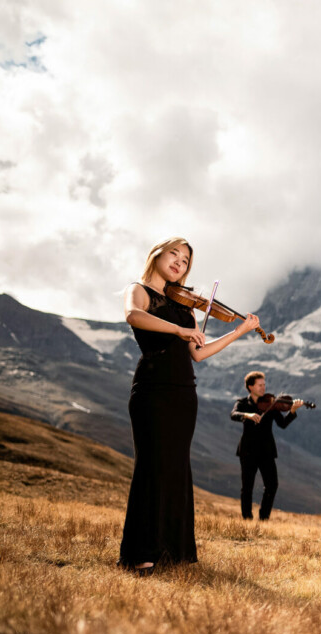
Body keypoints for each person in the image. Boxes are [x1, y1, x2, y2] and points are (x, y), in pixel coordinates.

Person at [119, 238, 260, 573]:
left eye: (185, 261)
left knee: (176, 468)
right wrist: (178, 330)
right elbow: (133, 316)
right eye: (174, 254)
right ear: (156, 255)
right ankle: (139, 553)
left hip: (184, 394)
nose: (179, 263)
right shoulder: (138, 290)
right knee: (151, 465)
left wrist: (239, 331)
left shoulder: (185, 306)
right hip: (152, 389)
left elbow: (198, 352)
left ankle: (171, 551)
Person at [231, 371, 304, 521]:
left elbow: (282, 424)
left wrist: (292, 411)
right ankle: (247, 518)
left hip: (266, 451)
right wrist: (247, 415)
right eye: (260, 385)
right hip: (248, 451)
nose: (263, 388)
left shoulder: (271, 404)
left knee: (272, 485)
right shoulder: (243, 403)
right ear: (250, 387)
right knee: (247, 487)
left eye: (264, 385)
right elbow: (233, 414)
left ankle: (264, 518)